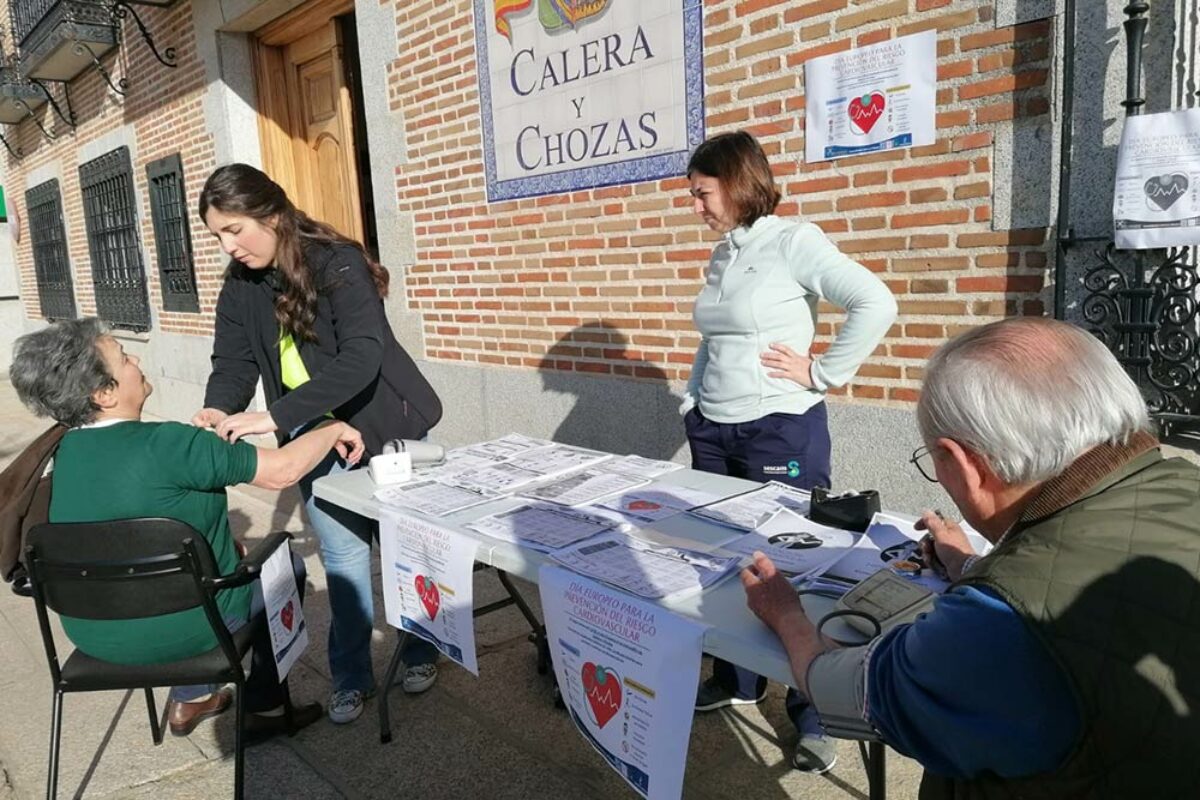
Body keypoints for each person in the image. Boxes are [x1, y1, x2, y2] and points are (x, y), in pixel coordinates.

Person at [743, 317, 1200, 797]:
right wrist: (969, 566)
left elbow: (857, 695)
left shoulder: (995, 622)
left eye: (932, 463)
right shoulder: (1184, 482)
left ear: (966, 465)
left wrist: (785, 612)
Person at [9, 318, 366, 739]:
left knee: (194, 565)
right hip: (191, 629)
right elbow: (282, 472)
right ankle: (265, 706)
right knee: (285, 565)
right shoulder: (176, 443)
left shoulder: (60, 452)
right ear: (104, 393)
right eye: (124, 358)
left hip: (92, 635)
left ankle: (192, 696)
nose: (136, 359)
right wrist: (331, 427)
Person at [192, 164, 444, 725]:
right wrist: (220, 406)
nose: (228, 246)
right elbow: (231, 360)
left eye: (235, 229)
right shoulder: (240, 285)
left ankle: (423, 650)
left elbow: (362, 356)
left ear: (273, 214)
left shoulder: (337, 262)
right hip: (315, 433)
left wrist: (273, 416)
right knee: (343, 555)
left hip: (386, 424)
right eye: (218, 235)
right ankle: (353, 676)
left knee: (404, 549)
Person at [683, 130, 896, 771]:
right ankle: (739, 680)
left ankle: (814, 711)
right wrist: (694, 396)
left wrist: (823, 373)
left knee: (795, 564)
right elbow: (717, 336)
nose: (695, 208)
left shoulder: (793, 240)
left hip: (779, 427)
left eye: (701, 194)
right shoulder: (724, 254)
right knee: (727, 559)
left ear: (738, 183)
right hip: (714, 431)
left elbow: (874, 301)